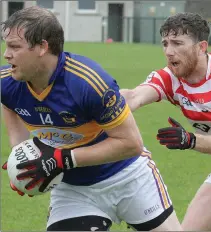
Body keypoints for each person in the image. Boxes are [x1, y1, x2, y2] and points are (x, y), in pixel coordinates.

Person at [1, 6, 182, 231]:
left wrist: (61, 159)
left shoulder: (88, 83)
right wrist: (23, 163)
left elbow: (131, 144)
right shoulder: (7, 83)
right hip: (74, 190)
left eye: (14, 47)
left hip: (129, 178)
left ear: (42, 47)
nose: (6, 54)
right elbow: (9, 106)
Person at [121, 12, 211, 231]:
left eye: (177, 43)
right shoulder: (172, 78)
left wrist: (190, 140)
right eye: (165, 43)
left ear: (201, 47)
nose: (169, 51)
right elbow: (134, 97)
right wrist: (95, 100)